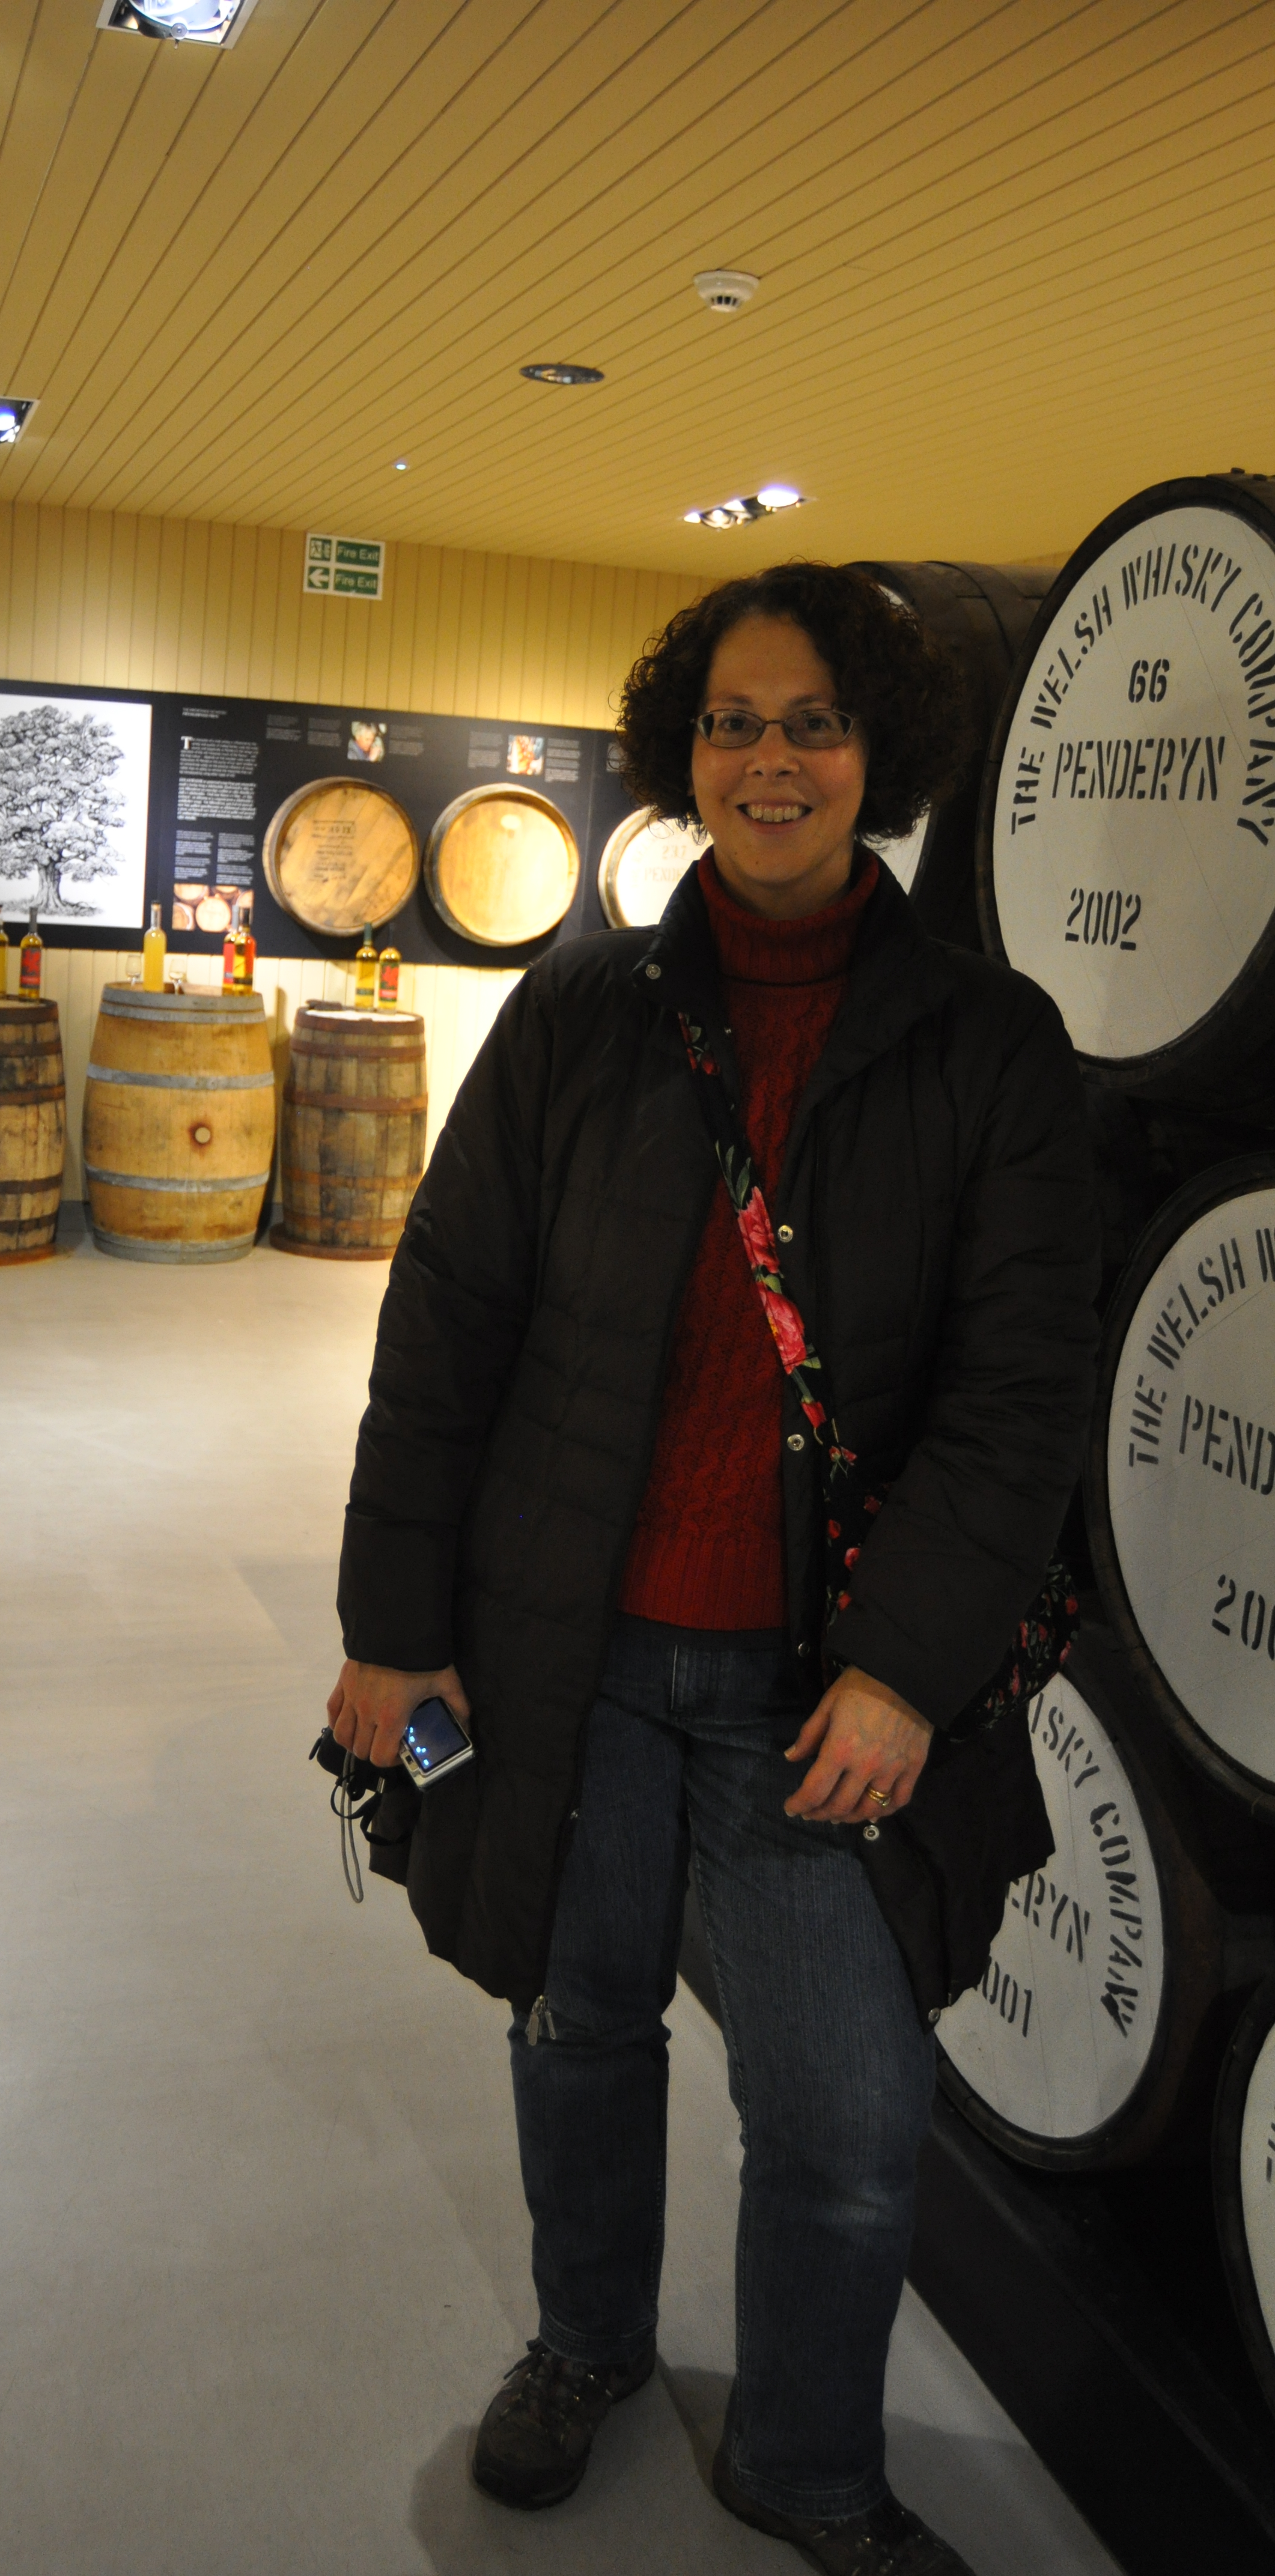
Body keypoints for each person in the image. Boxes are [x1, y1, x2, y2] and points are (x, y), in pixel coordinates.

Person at [328, 563, 1097, 2576]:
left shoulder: (989, 1044)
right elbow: (447, 1324)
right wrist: (394, 1628)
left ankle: (808, 2463)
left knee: (845, 2117)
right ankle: (587, 2344)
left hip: (812, 1688)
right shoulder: (581, 1015)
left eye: (815, 723)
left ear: (879, 754)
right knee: (578, 2025)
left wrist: (906, 1668)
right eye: (737, 722)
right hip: (568, 1651)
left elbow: (1021, 1398)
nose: (773, 761)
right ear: (690, 750)